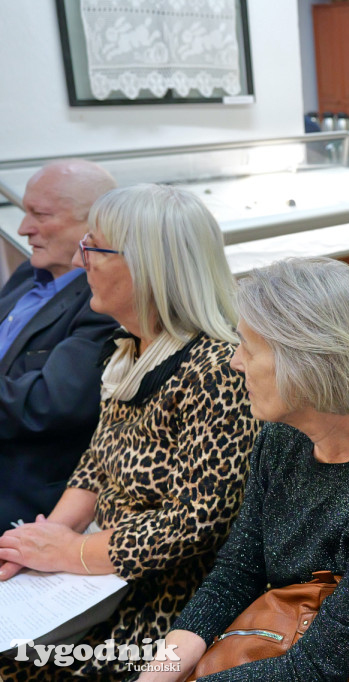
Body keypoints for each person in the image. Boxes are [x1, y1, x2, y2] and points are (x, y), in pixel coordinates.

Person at [140, 259, 349, 682]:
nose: (234, 363)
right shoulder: (284, 436)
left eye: (249, 348)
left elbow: (319, 667)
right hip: (289, 645)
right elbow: (235, 575)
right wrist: (158, 672)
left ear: (308, 360)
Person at [0, 184, 260, 680]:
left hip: (166, 600)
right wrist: (44, 538)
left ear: (149, 266)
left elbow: (196, 522)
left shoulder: (218, 366)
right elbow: (96, 465)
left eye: (94, 247)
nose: (81, 262)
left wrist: (69, 552)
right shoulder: (131, 350)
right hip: (102, 579)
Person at [0, 160, 119, 533]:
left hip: (23, 491)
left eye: (40, 214)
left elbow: (48, 403)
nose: (23, 228)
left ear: (92, 225)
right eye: (24, 212)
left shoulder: (102, 303)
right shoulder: (26, 275)